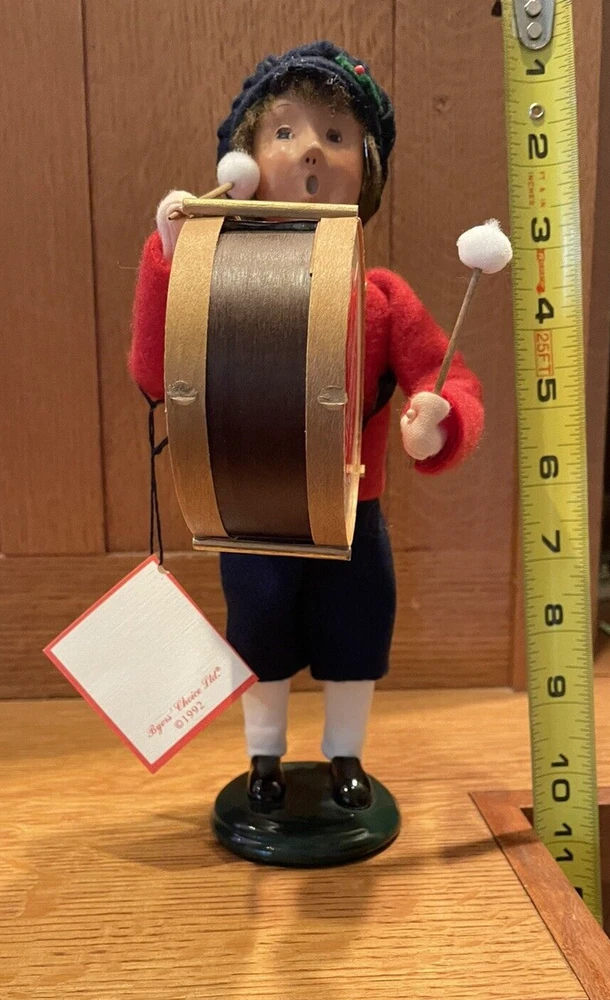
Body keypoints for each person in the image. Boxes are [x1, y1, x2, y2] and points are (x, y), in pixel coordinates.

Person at [128, 41, 484, 811]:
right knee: (259, 634)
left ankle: (345, 754)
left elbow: (449, 377)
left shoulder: (382, 298)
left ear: (368, 168)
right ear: (244, 162)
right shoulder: (214, 277)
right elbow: (157, 377)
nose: (312, 149)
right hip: (250, 507)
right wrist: (169, 262)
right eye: (285, 131)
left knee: (357, 631)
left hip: (355, 512)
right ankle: (264, 759)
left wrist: (441, 419)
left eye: (336, 133)